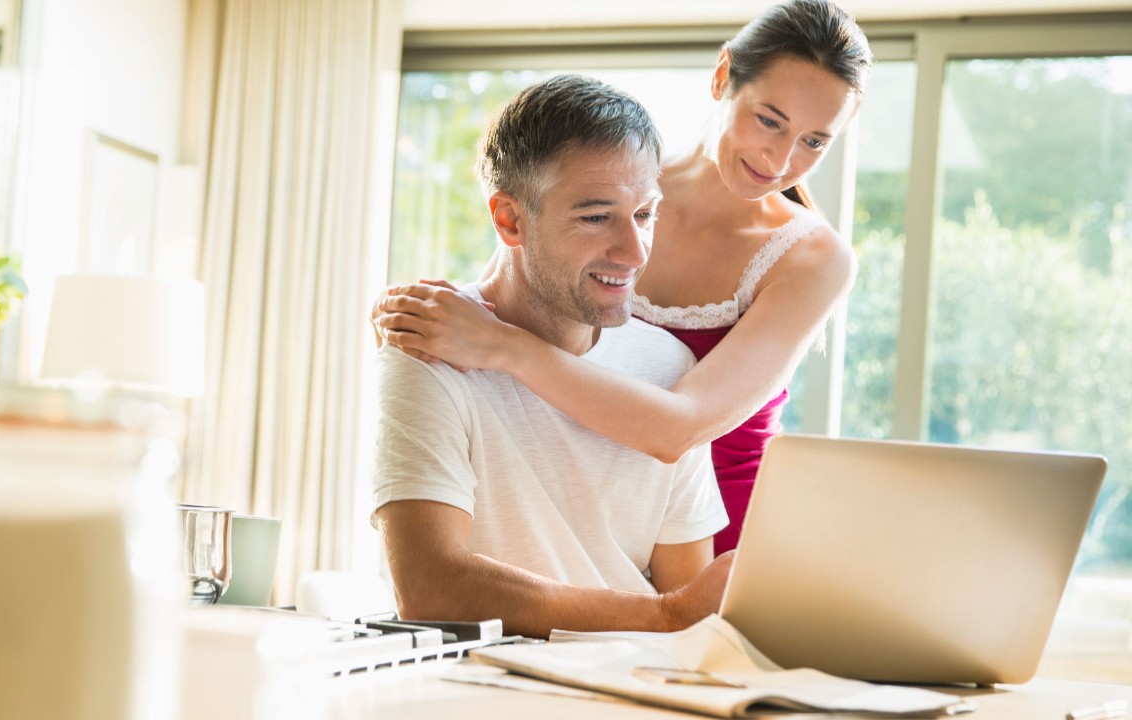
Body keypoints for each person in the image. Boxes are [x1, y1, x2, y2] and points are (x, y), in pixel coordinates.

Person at [374, 0, 873, 555]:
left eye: (814, 141)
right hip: (590, 513)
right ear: (723, 75)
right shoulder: (618, 179)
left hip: (725, 546)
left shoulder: (813, 258)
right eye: (769, 120)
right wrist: (415, 318)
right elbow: (517, 285)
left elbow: (678, 430)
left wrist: (499, 345)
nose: (780, 159)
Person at [372, 74, 733, 639]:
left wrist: (677, 621)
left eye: (645, 215)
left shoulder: (668, 367)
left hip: (636, 678)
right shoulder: (426, 348)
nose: (635, 252)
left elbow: (690, 602)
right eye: (596, 217)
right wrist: (664, 618)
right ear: (510, 219)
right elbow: (429, 587)